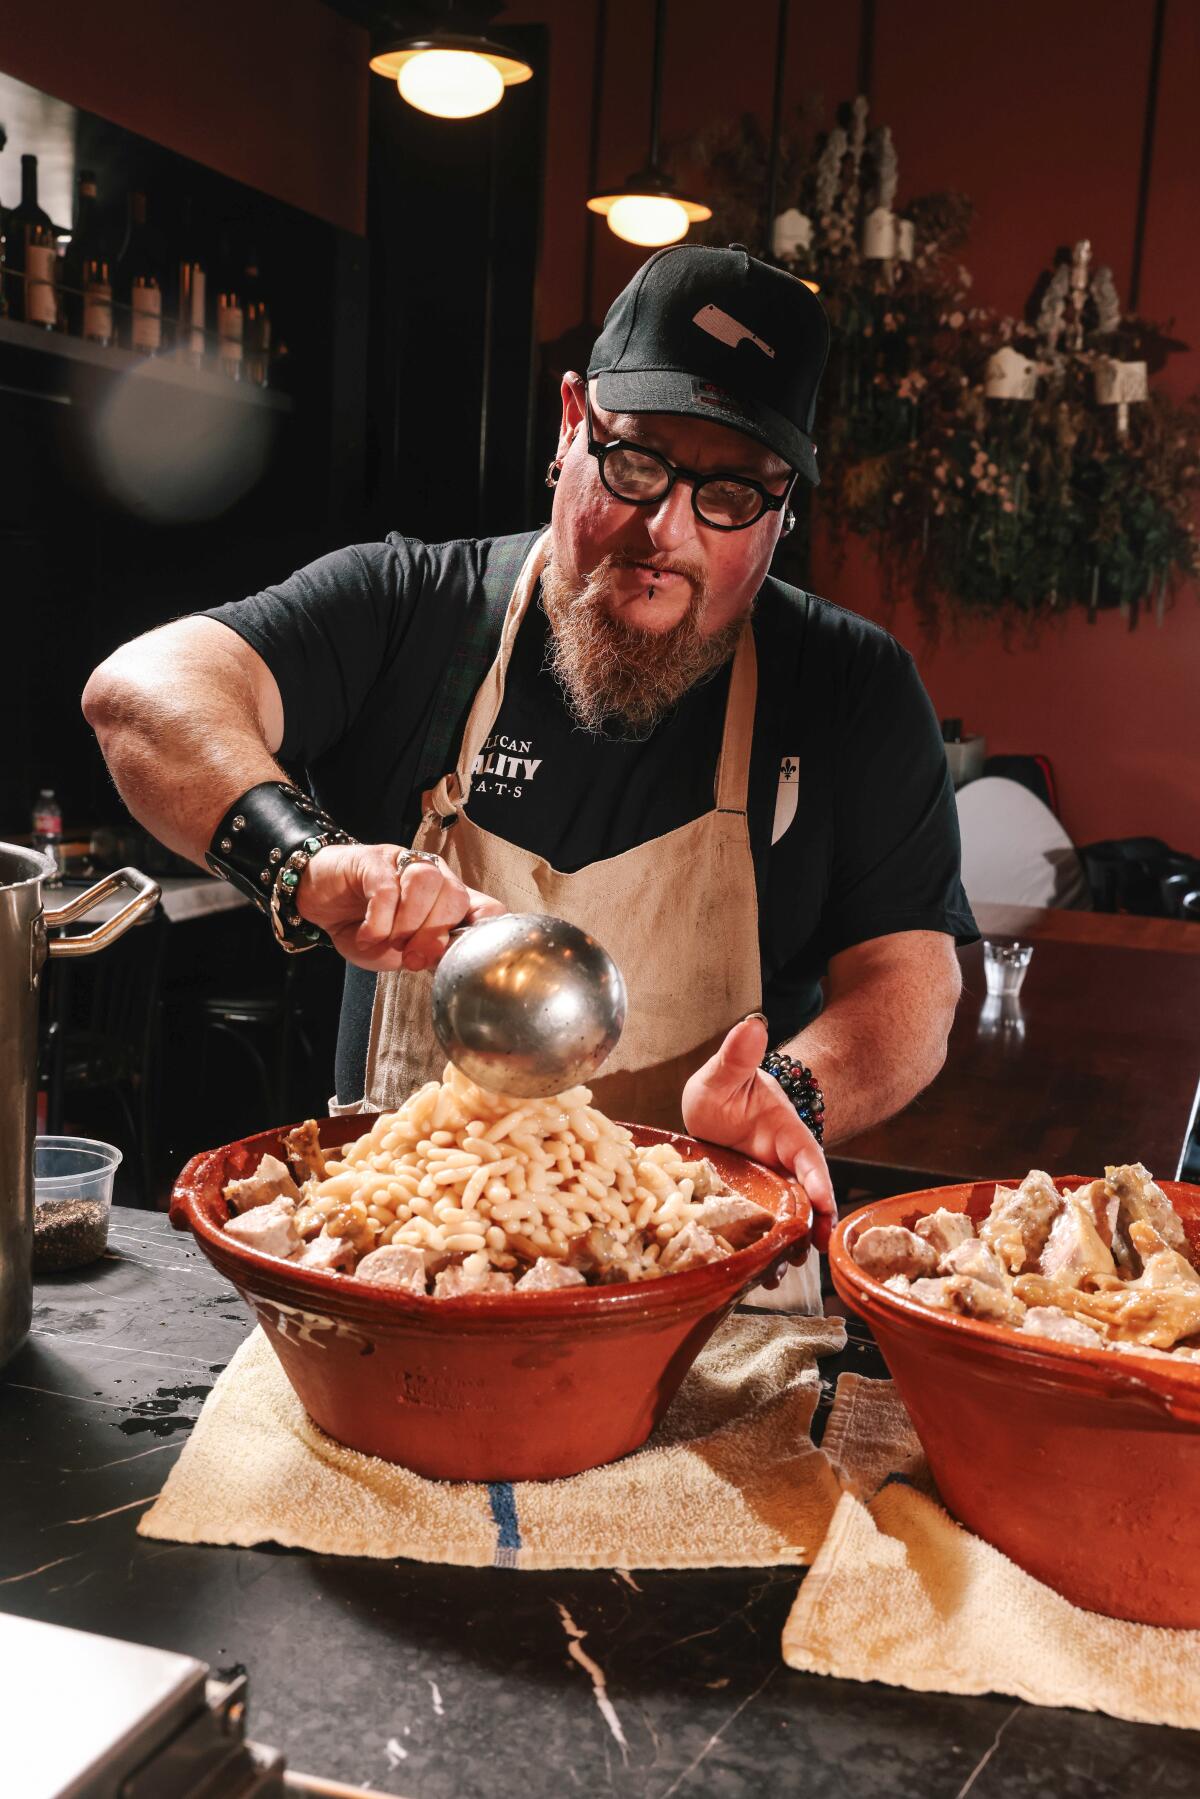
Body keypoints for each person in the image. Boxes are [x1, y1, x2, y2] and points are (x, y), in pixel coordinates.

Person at [83, 243, 976, 1263]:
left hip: (699, 1280)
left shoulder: (851, 691)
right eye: (635, 462)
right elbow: (142, 692)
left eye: (731, 493)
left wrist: (792, 1091)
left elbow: (913, 987)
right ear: (570, 425)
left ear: (783, 510)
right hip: (407, 1262)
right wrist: (305, 864)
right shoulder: (414, 608)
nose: (665, 530)